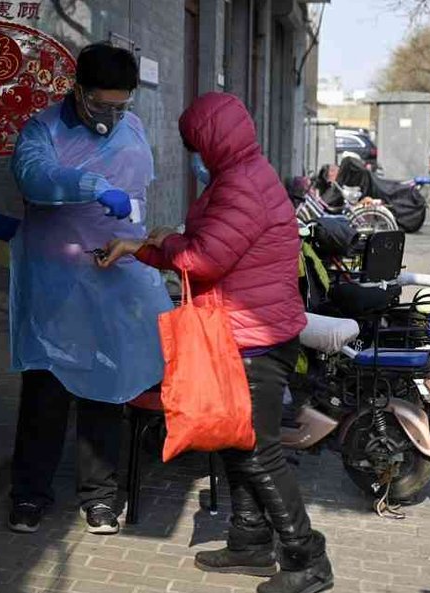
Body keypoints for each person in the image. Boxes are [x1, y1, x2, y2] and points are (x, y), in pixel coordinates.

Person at [99, 92, 333, 593]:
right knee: (234, 440)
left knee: (259, 452)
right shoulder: (240, 176)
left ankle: (306, 559)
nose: (196, 158)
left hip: (256, 340)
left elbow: (204, 260)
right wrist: (150, 247)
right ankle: (249, 542)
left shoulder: (241, 186)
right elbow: (202, 252)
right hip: (246, 332)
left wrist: (164, 242)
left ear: (211, 142)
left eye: (196, 148)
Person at [6, 43, 172, 535]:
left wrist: (136, 223)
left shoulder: (133, 126)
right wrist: (93, 187)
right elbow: (34, 177)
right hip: (57, 282)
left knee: (108, 385)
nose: (112, 115)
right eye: (103, 105)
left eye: (122, 106)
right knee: (47, 389)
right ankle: (30, 495)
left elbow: (140, 184)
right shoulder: (44, 130)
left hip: (115, 274)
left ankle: (100, 497)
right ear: (78, 92)